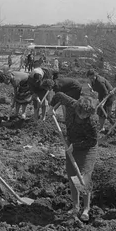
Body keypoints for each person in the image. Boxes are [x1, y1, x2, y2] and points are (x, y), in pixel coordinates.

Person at [49, 92, 98, 222]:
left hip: (87, 148)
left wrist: (75, 145)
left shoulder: (92, 121)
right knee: (72, 176)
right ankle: (76, 206)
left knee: (83, 177)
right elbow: (59, 95)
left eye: (86, 115)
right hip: (71, 145)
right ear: (77, 108)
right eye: (81, 113)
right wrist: (51, 107)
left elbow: (92, 141)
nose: (83, 117)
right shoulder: (72, 104)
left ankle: (86, 208)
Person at [86, 69, 116, 133]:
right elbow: (95, 89)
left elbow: (106, 93)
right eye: (89, 78)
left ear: (95, 75)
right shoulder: (92, 80)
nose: (91, 80)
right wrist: (92, 90)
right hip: (101, 95)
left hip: (108, 96)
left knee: (105, 113)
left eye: (92, 78)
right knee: (100, 112)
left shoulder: (100, 82)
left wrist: (102, 103)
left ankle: (115, 125)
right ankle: (101, 127)